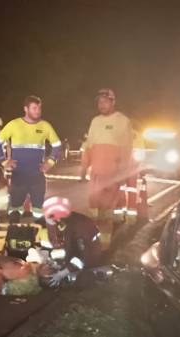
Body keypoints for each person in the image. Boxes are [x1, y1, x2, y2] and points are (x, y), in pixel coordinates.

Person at [0, 96, 61, 221]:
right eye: (34, 108)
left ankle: (38, 237)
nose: (38, 111)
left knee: (38, 213)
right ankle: (14, 235)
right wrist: (4, 161)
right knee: (15, 210)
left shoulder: (45, 126)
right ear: (26, 109)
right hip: (18, 176)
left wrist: (50, 162)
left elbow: (57, 145)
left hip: (37, 177)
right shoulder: (14, 124)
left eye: (39, 108)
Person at [80, 89, 134, 248]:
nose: (101, 105)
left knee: (106, 213)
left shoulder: (122, 121)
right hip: (95, 175)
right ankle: (96, 241)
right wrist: (84, 168)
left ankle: (105, 247)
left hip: (112, 175)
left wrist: (122, 172)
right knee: (94, 211)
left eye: (105, 101)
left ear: (112, 102)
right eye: (99, 102)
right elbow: (88, 146)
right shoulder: (95, 121)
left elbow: (127, 148)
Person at [32, 196, 103, 287]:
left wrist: (64, 272)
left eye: (51, 218)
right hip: (73, 252)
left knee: (83, 278)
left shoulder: (80, 228)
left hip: (87, 258)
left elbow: (82, 258)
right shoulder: (64, 220)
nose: (49, 221)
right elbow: (53, 235)